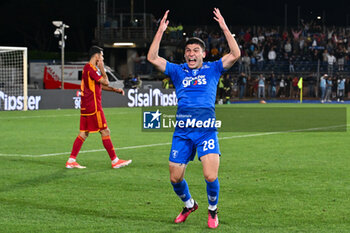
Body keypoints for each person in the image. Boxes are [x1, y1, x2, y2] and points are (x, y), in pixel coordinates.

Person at [147, 9, 240, 229]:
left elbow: (235, 54)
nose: (191, 53)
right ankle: (189, 205)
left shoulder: (214, 68)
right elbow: (152, 58)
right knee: (175, 178)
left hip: (206, 130)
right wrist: (160, 31)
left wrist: (225, 27)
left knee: (210, 176)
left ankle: (212, 211)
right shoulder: (178, 71)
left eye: (196, 50)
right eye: (188, 50)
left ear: (203, 54)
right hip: (183, 131)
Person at [66, 46, 132, 169]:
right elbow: (105, 81)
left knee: (83, 133)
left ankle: (71, 160)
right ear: (96, 56)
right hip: (94, 107)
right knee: (105, 131)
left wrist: (115, 90)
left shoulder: (89, 69)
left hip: (86, 107)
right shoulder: (91, 68)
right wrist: (102, 69)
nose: (102, 58)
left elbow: (100, 86)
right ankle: (115, 161)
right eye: (101, 56)